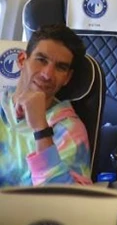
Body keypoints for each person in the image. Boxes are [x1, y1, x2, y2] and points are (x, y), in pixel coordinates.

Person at [0, 24, 91, 186]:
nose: (47, 74)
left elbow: (62, 198)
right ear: (22, 60)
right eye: (41, 60)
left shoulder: (69, 130)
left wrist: (41, 130)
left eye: (60, 67)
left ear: (67, 78)